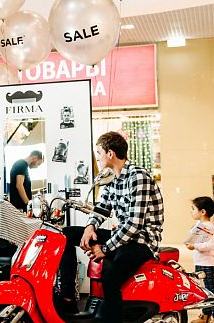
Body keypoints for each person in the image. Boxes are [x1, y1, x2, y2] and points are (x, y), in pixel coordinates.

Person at [58, 132, 164, 323]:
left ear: (110, 153)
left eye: (99, 153)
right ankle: (68, 298)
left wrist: (105, 248)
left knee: (110, 278)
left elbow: (134, 224)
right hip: (122, 235)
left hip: (142, 241)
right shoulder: (109, 177)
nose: (97, 158)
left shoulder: (138, 177)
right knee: (65, 235)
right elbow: (101, 208)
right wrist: (90, 227)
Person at [186, 196, 214, 323]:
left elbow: (211, 245)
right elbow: (193, 236)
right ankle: (206, 315)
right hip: (200, 263)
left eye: (193, 209)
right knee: (204, 291)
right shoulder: (202, 225)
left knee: (211, 291)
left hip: (206, 264)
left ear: (202, 212)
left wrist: (195, 246)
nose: (191, 211)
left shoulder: (208, 226)